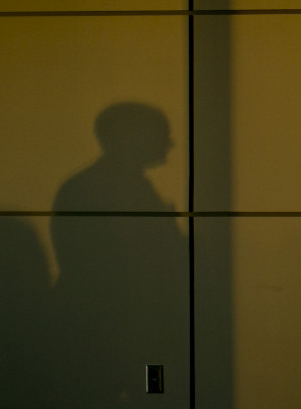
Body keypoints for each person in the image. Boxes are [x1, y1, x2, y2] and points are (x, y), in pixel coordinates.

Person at [51, 102, 188, 407]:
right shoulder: (109, 189)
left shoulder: (93, 186)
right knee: (153, 394)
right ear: (131, 136)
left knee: (148, 393)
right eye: (160, 132)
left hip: (111, 336)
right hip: (124, 335)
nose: (170, 142)